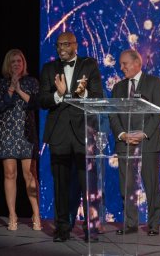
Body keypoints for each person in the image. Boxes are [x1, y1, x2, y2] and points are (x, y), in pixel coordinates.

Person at [39, 31, 103, 242]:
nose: (61, 49)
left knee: (87, 185)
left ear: (75, 45)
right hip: (59, 134)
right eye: (58, 45)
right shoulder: (49, 69)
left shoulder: (89, 65)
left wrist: (82, 93)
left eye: (65, 44)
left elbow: (98, 97)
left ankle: (90, 229)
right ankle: (62, 229)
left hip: (83, 133)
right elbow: (42, 99)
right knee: (61, 185)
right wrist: (59, 94)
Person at [109, 49, 160, 236]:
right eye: (121, 64)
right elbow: (113, 115)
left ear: (137, 63)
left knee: (151, 185)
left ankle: (153, 224)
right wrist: (122, 134)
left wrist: (143, 133)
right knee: (127, 186)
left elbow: (158, 112)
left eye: (124, 64)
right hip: (125, 143)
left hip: (148, 143)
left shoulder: (154, 83)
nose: (121, 67)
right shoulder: (117, 88)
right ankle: (130, 223)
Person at [0, 49, 40, 231]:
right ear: (8, 64)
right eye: (13, 61)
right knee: (9, 174)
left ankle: (36, 214)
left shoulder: (32, 82)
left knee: (29, 174)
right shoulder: (1, 83)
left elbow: (35, 103)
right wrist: (10, 88)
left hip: (26, 132)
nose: (16, 64)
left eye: (19, 61)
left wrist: (19, 89)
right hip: (6, 133)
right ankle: (12, 214)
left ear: (23, 64)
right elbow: (0, 105)